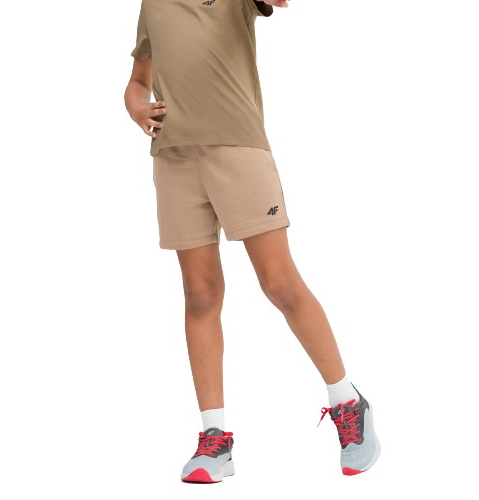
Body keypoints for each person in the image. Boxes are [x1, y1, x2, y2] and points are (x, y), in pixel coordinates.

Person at [124, 0, 380, 483]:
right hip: (173, 157)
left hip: (238, 148)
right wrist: (136, 103)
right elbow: (139, 79)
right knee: (200, 295)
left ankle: (348, 401)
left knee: (279, 283)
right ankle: (214, 439)